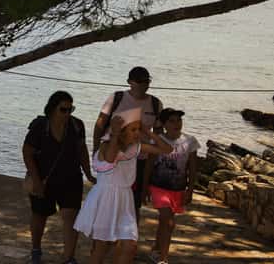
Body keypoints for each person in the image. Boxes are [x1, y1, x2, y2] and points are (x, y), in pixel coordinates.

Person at [74, 109, 173, 264]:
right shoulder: (106, 145)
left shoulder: (135, 147)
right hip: (106, 198)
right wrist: (114, 134)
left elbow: (167, 150)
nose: (137, 133)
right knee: (101, 247)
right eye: (133, 129)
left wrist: (148, 131)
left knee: (130, 246)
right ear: (121, 131)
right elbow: (110, 158)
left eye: (138, 129)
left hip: (125, 199)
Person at [23, 91, 95, 264]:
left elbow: (82, 149)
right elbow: (27, 152)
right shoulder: (41, 126)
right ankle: (36, 250)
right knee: (40, 215)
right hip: (44, 179)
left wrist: (88, 173)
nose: (67, 113)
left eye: (71, 109)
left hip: (71, 178)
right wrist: (37, 181)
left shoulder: (77, 125)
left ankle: (68, 258)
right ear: (52, 109)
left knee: (71, 217)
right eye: (63, 109)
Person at [93, 66, 163, 219]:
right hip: (113, 157)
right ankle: (104, 230)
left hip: (139, 159)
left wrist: (151, 167)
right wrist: (96, 152)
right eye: (139, 81)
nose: (144, 85)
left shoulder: (155, 104)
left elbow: (158, 137)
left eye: (147, 81)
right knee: (108, 200)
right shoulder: (116, 98)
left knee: (133, 204)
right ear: (129, 82)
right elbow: (99, 125)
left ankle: (129, 232)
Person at [146, 108, 199, 264]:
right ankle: (163, 258)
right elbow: (149, 165)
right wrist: (144, 188)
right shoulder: (157, 140)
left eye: (179, 120)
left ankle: (156, 249)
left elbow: (193, 168)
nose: (177, 124)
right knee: (168, 222)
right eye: (172, 121)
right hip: (158, 187)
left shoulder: (190, 141)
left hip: (178, 189)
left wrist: (190, 190)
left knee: (165, 221)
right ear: (163, 124)